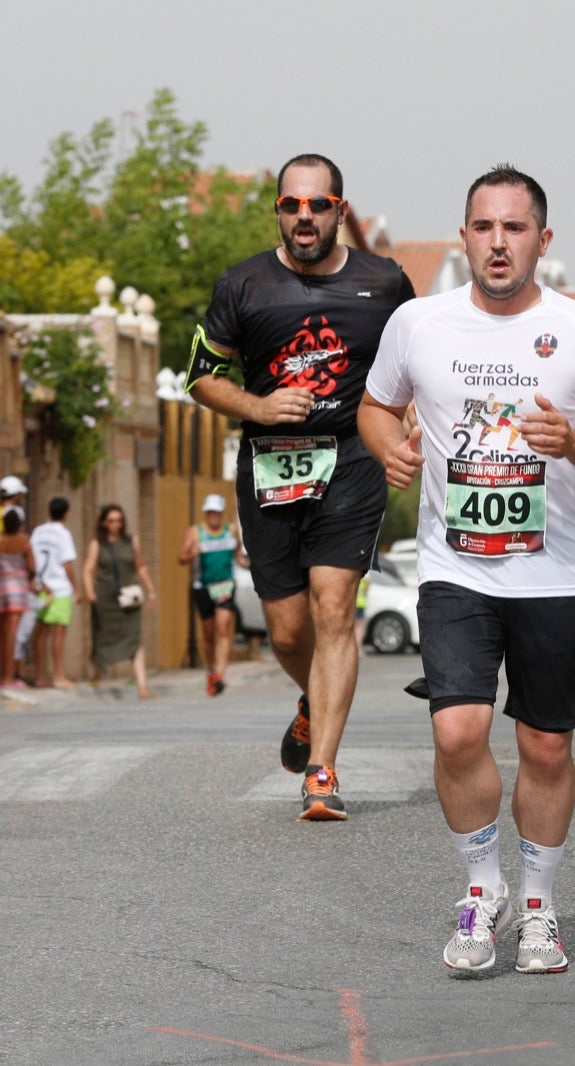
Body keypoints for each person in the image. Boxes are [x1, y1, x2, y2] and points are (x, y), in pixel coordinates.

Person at [359, 164, 575, 975]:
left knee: (547, 747)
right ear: (465, 237)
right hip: (457, 567)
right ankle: (484, 889)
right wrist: (388, 448)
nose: (498, 242)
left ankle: (542, 907)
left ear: (542, 241)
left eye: (515, 228)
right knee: (458, 730)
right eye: (484, 227)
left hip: (552, 571)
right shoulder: (419, 322)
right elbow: (376, 405)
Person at [185, 152, 416, 821]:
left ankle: (322, 773)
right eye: (292, 205)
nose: (304, 217)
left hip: (351, 456)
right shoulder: (244, 285)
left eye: (318, 205)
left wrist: (414, 419)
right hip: (270, 461)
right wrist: (255, 407)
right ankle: (313, 701)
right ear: (279, 210)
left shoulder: (386, 282)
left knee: (334, 604)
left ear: (341, 210)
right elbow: (201, 376)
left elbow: (420, 362)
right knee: (288, 632)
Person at [83, 503, 157, 700]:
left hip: (128, 598)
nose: (116, 524)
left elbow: (140, 566)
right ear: (104, 523)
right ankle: (97, 675)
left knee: (134, 639)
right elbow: (88, 570)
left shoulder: (132, 541)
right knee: (102, 640)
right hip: (105, 599)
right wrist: (90, 591)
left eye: (119, 520)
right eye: (111, 521)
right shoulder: (97, 544)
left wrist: (150, 589)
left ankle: (142, 686)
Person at [178, 493, 248, 696]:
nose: (214, 516)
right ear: (206, 513)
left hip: (225, 585)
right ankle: (210, 670)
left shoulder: (231, 531)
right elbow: (182, 557)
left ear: (222, 512)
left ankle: (220, 674)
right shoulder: (196, 532)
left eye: (217, 512)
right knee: (208, 633)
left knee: (223, 627)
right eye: (210, 512)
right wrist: (193, 553)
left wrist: (251, 565)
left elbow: (238, 557)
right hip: (202, 586)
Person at [0, 508, 36, 687]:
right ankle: (8, 677)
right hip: (18, 589)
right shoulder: (24, 541)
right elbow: (31, 566)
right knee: (11, 634)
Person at [29, 496, 78, 688]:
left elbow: (31, 556)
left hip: (42, 587)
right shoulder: (63, 534)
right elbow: (67, 564)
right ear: (66, 514)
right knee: (58, 635)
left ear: (49, 512)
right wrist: (76, 588)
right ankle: (59, 676)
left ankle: (40, 676)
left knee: (41, 633)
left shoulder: (38, 532)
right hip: (59, 588)